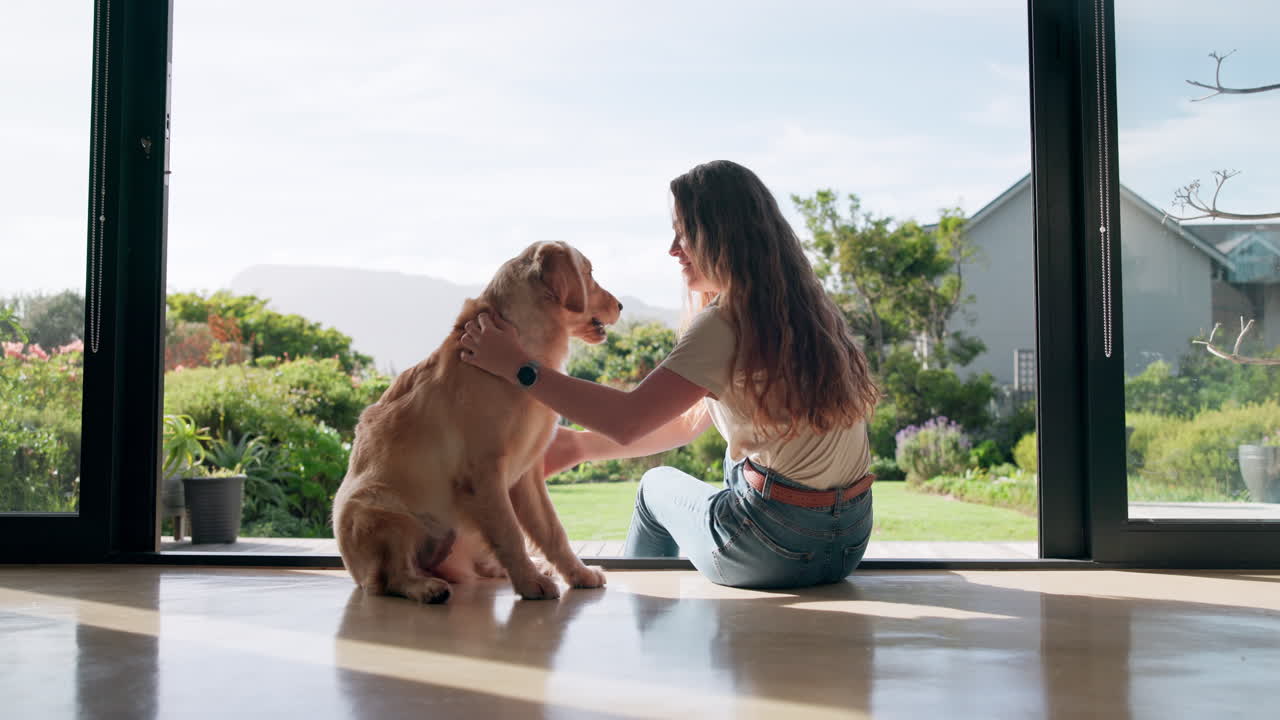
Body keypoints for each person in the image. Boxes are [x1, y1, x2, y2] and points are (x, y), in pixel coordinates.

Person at [459, 159, 878, 589]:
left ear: (722, 236)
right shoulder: (806, 310)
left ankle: (639, 615)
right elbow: (684, 423)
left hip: (777, 546)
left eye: (684, 232)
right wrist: (580, 446)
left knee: (655, 486)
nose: (673, 248)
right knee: (736, 468)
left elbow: (627, 421)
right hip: (848, 539)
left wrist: (516, 365)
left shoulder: (727, 322)